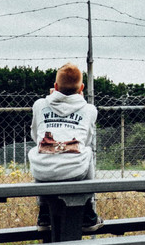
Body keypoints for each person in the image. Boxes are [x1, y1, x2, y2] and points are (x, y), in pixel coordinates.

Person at [28, 63, 101, 230]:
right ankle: (88, 213)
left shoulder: (40, 105)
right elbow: (86, 140)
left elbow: (35, 136)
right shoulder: (89, 109)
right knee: (87, 151)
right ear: (81, 88)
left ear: (55, 87)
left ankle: (44, 214)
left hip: (43, 170)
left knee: (40, 150)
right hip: (76, 170)